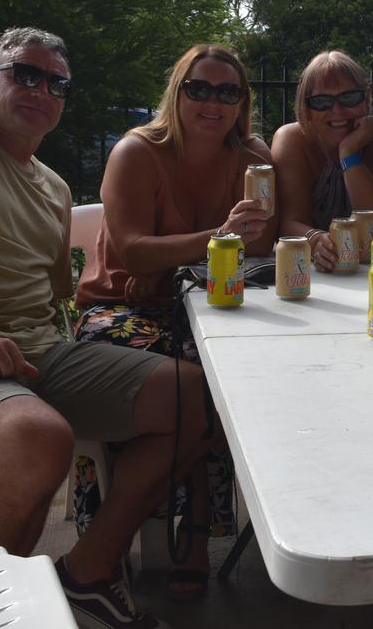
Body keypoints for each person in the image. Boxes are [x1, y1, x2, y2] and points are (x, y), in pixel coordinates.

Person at [0, 27, 210, 629]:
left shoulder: (52, 188)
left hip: (36, 353)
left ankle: (89, 572)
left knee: (197, 399)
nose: (42, 89)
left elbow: (50, 304)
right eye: (24, 73)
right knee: (35, 439)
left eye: (57, 83)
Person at [73, 43, 276, 602]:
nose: (213, 102)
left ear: (242, 103)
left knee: (234, 381)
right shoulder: (137, 153)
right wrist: (211, 242)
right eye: (200, 89)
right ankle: (130, 547)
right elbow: (134, 256)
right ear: (178, 93)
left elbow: (259, 241)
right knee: (200, 389)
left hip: (197, 304)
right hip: (117, 309)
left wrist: (174, 263)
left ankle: (182, 535)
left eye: (228, 92)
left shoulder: (250, 160)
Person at [271, 50, 373, 271]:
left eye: (349, 98)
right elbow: (288, 222)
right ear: (306, 108)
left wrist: (349, 155)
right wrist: (316, 240)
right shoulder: (292, 141)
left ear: (366, 98)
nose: (337, 111)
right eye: (321, 102)